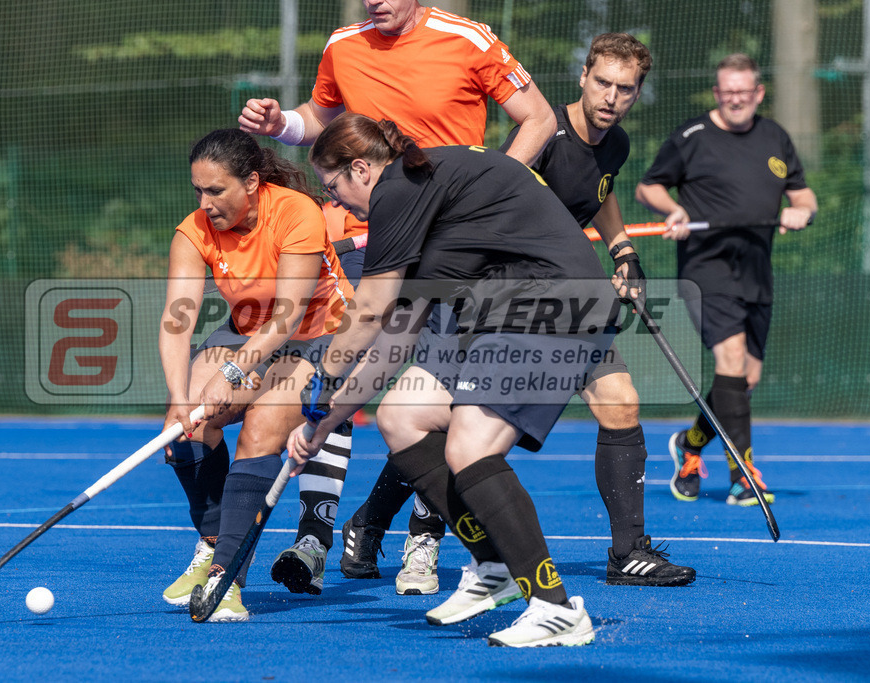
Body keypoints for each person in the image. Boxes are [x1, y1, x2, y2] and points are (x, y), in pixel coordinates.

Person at [239, 0, 556, 597]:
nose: (372, 1)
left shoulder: (467, 39)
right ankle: (317, 533)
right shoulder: (342, 44)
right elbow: (319, 118)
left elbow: (537, 118)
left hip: (452, 253)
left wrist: (485, 201)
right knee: (352, 367)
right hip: (367, 237)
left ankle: (425, 539)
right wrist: (282, 123)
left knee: (427, 398)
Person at [288, 113, 621, 647]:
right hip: (502, 313)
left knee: (471, 444)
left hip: (553, 303)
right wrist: (324, 422)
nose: (337, 204)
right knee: (402, 416)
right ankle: (493, 565)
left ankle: (555, 607)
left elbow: (369, 311)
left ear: (360, 168)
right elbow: (393, 340)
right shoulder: (413, 203)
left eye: (334, 188)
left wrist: (322, 375)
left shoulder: (399, 188)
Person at [498, 33, 695, 586]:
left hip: (570, 301)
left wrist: (623, 249)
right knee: (457, 425)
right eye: (603, 82)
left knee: (621, 402)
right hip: (515, 299)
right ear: (583, 76)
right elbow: (512, 215)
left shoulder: (616, 144)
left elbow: (599, 191)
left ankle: (627, 552)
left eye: (625, 89)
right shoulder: (540, 133)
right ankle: (369, 525)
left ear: (636, 94)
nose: (611, 97)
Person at [158, 129, 351, 621]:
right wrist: (180, 401)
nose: (205, 202)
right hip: (247, 329)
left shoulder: (295, 212)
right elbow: (176, 323)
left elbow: (288, 317)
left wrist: (231, 369)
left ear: (252, 182)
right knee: (191, 425)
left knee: (263, 424)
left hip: (321, 332)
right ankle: (214, 542)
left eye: (216, 190)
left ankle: (228, 577)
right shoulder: (194, 230)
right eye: (198, 190)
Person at [634, 53, 817, 506]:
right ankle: (743, 476)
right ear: (717, 93)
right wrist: (673, 209)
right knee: (731, 357)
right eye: (727, 91)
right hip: (706, 268)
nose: (736, 99)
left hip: (756, 270)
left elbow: (803, 192)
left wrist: (803, 210)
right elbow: (648, 186)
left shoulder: (775, 136)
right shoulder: (692, 136)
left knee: (743, 378)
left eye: (744, 91)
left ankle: (691, 446)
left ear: (758, 93)